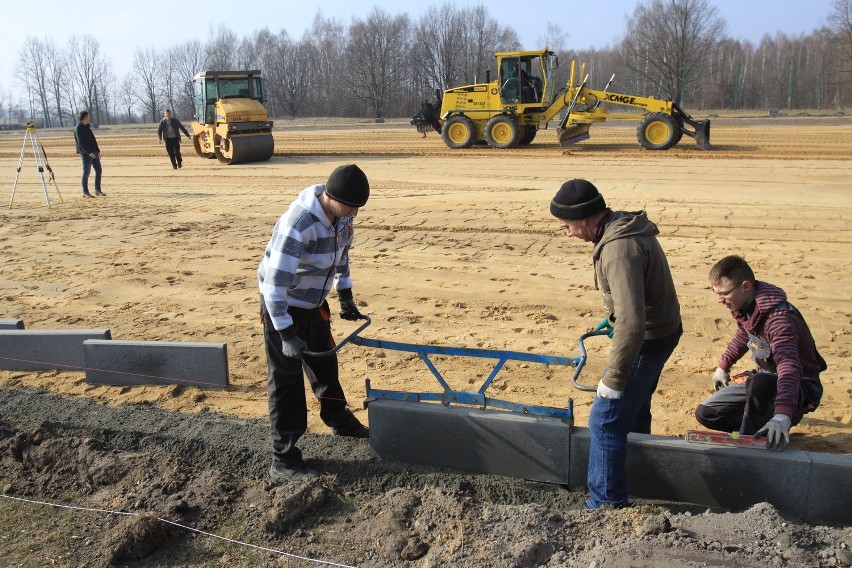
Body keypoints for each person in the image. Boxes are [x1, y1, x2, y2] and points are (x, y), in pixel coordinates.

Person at [550, 179, 682, 509]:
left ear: (583, 218)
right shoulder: (621, 227)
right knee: (634, 412)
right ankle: (640, 480)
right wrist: (612, 319)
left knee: (605, 421)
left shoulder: (617, 249)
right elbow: (631, 303)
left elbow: (633, 322)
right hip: (662, 330)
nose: (564, 231)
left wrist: (614, 378)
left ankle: (606, 506)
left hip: (647, 340)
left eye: (565, 224)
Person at [258, 164, 371, 482]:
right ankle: (284, 460)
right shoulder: (299, 224)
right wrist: (285, 332)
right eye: (352, 206)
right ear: (332, 198)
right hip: (282, 307)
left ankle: (339, 421)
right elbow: (274, 285)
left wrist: (345, 293)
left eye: (359, 208)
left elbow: (342, 254)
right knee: (286, 381)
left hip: (313, 303)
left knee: (325, 366)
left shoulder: (343, 217)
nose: (355, 214)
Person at [695, 255, 825, 450]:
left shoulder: (779, 320)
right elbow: (743, 335)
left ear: (746, 287)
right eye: (715, 293)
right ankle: (762, 426)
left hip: (798, 387)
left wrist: (782, 414)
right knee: (706, 412)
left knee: (760, 382)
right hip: (763, 383)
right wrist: (723, 365)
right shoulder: (746, 307)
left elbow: (788, 367)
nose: (718, 300)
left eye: (724, 293)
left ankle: (754, 438)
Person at [73, 110, 104, 198]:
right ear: (85, 117)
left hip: (94, 152)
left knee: (99, 171)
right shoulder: (78, 128)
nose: (89, 118)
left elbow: (93, 140)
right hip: (86, 154)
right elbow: (80, 143)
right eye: (88, 116)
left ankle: (98, 190)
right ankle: (85, 192)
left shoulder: (87, 127)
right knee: (86, 172)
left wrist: (97, 151)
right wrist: (89, 153)